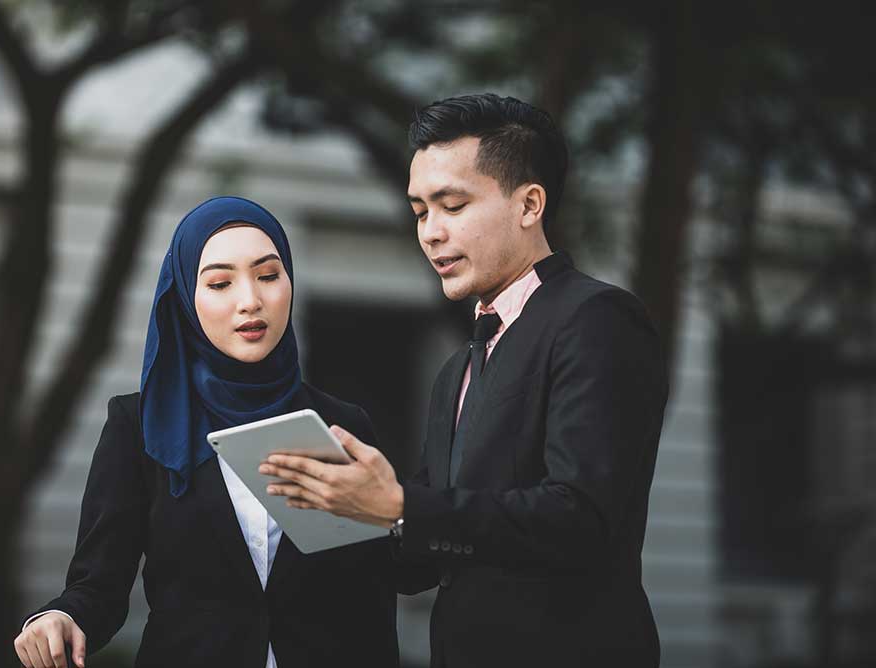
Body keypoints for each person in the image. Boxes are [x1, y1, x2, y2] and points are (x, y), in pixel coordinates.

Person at [260, 94, 669, 667]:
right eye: (420, 211)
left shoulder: (597, 319)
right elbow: (422, 563)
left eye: (452, 205)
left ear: (529, 204)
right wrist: (338, 514)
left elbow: (580, 519)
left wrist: (403, 506)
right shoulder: (457, 368)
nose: (430, 232)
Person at [13, 197, 401, 668]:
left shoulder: (344, 426)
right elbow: (98, 586)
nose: (250, 301)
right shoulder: (138, 427)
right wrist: (58, 617)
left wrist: (398, 516)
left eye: (269, 275)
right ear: (185, 300)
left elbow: (375, 593)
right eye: (219, 282)